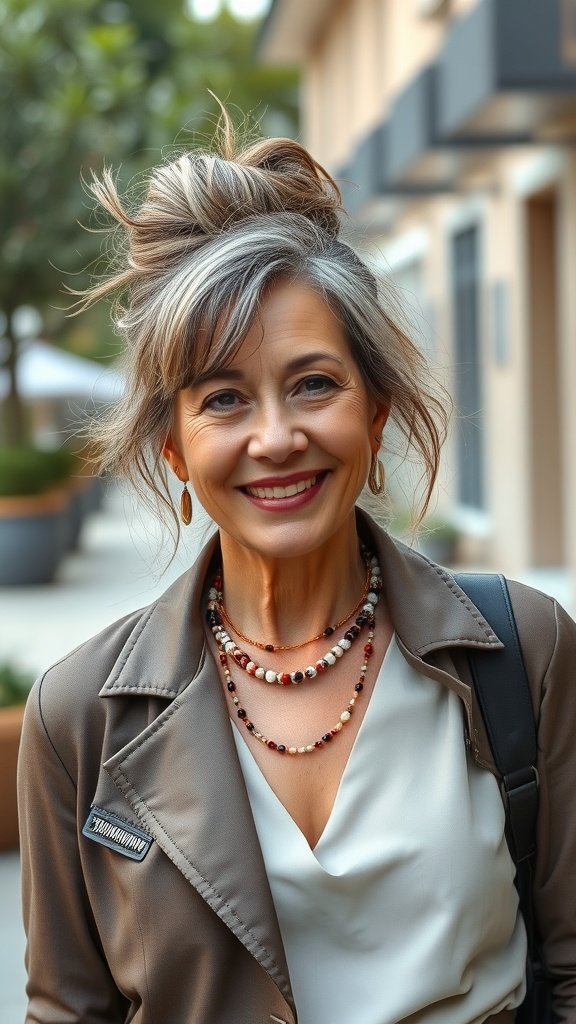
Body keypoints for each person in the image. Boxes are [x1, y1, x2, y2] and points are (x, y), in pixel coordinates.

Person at [18, 109, 576, 1024]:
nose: (276, 439)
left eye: (314, 383)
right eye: (224, 399)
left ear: (378, 411)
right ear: (173, 447)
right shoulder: (79, 717)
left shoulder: (524, 654)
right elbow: (68, 1010)